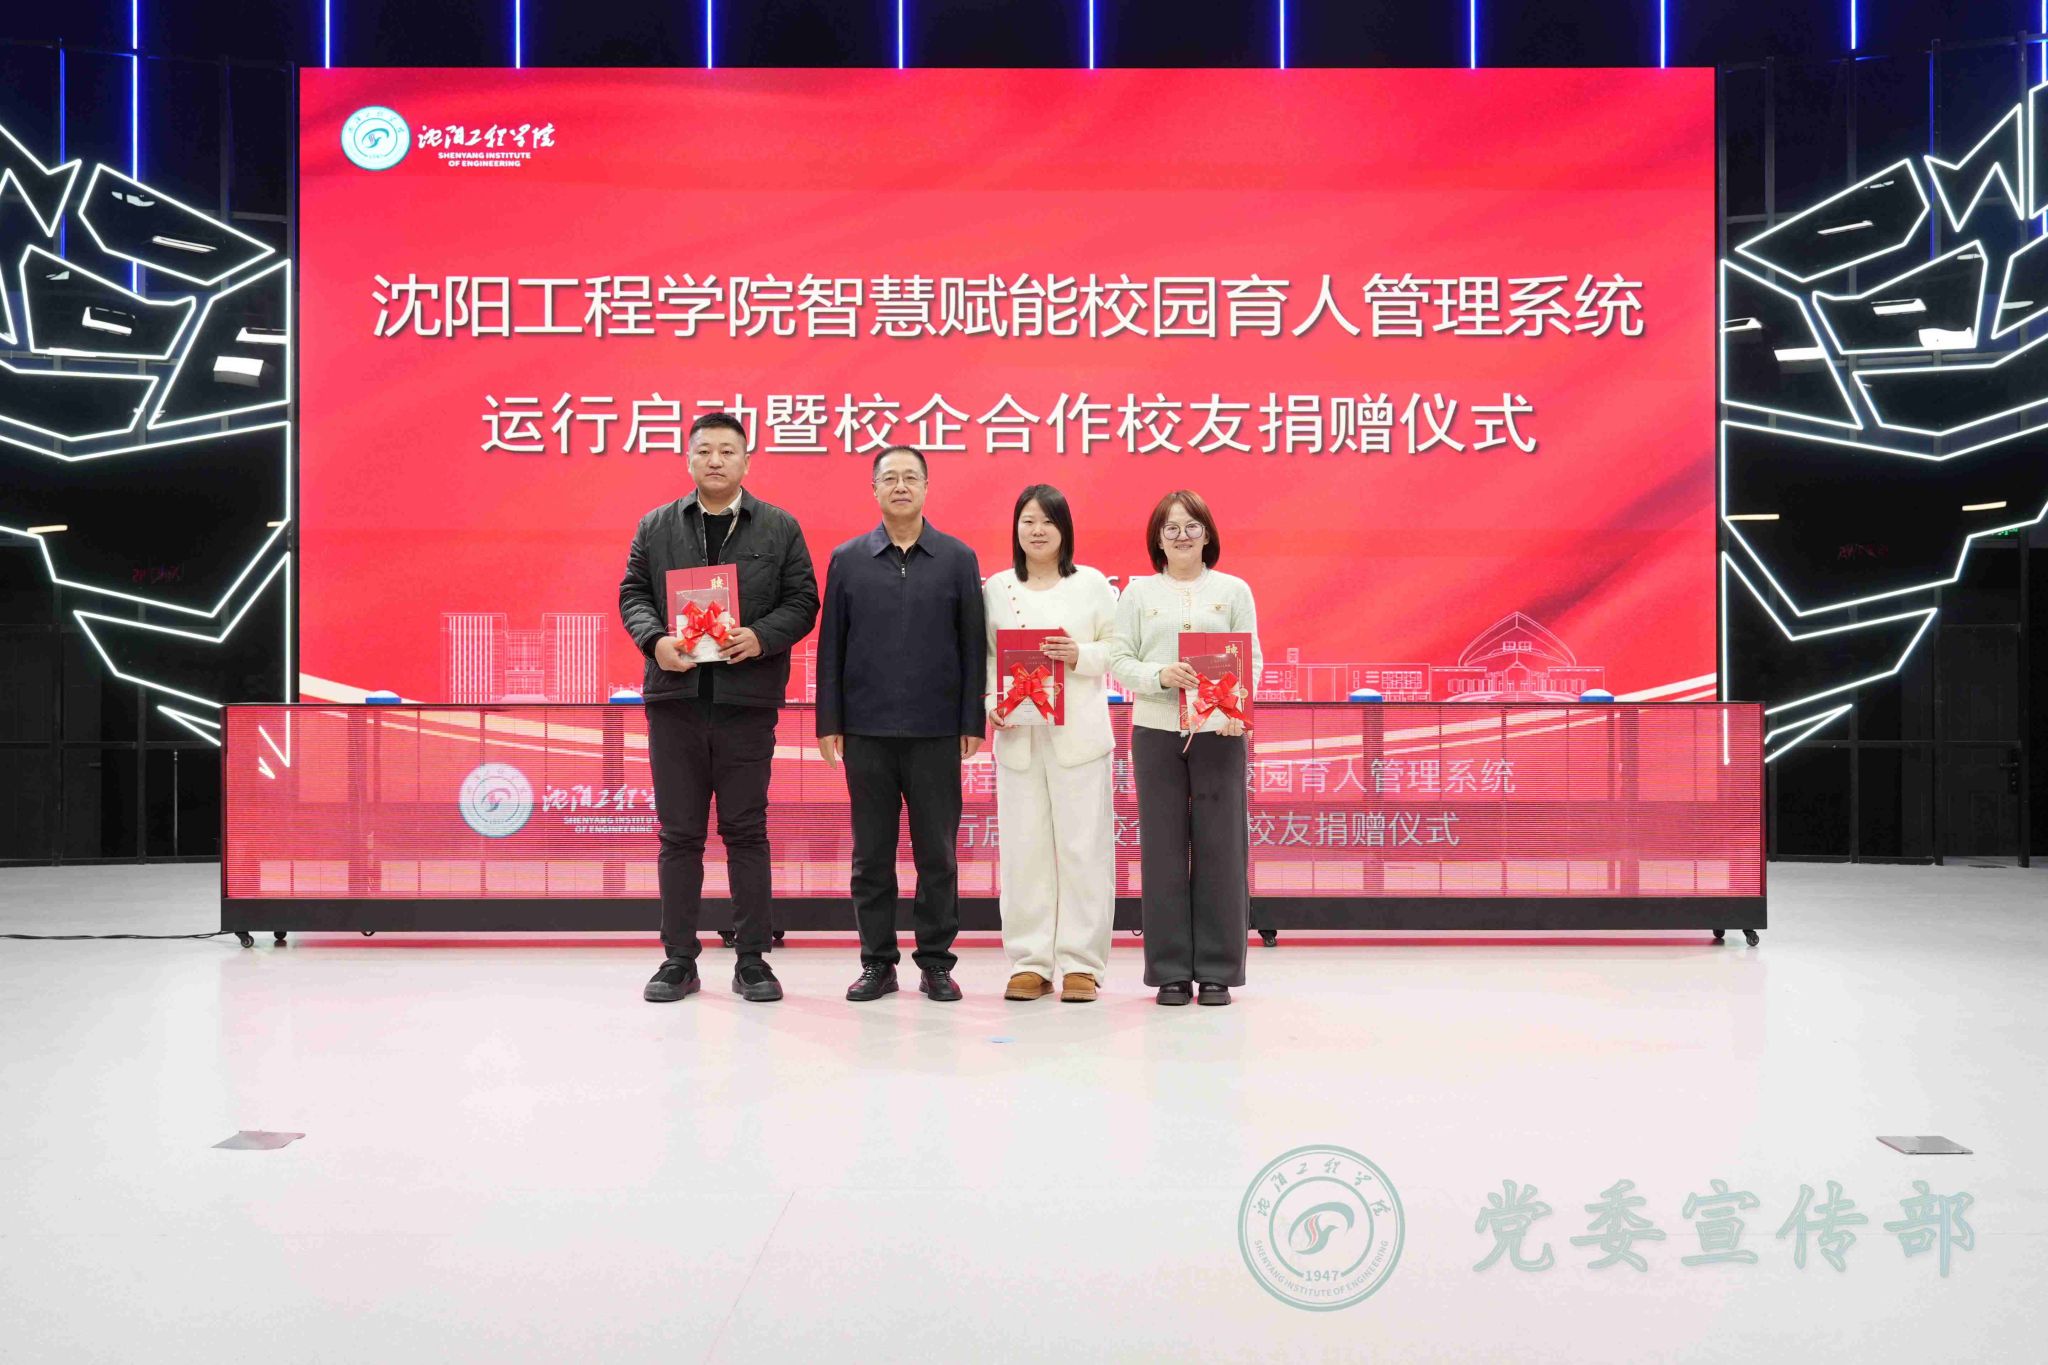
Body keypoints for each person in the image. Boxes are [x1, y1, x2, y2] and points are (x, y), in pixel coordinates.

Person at [618, 411, 819, 1005]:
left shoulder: (779, 527)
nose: (715, 460)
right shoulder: (656, 525)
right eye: (704, 450)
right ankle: (678, 959)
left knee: (746, 831)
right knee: (679, 835)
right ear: (689, 459)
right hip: (675, 701)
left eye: (727, 451)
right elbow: (632, 593)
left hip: (746, 702)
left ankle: (752, 959)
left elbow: (803, 600)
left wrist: (761, 636)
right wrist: (655, 640)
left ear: (746, 461)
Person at [816, 446, 986, 1003]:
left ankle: (936, 962)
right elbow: (831, 645)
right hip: (866, 731)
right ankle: (877, 963)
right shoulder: (848, 559)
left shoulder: (957, 558)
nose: (901, 486)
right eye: (889, 478)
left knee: (937, 854)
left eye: (911, 477)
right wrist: (830, 721)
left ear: (927, 487)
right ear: (874, 490)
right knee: (871, 855)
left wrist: (971, 719)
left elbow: (972, 645)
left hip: (937, 732)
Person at [1107, 490, 1261, 1007]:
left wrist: (1237, 709)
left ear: (1207, 534)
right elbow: (1120, 660)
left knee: (1222, 847)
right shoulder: (1137, 595)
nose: (1182, 536)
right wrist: (1159, 675)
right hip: (1155, 730)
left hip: (1220, 730)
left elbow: (1252, 659)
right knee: (1163, 850)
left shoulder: (1233, 590)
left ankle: (1217, 970)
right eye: (1170, 528)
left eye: (1192, 526)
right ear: (1157, 539)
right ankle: (1170, 971)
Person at [982, 485, 1119, 1004]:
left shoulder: (1092, 585)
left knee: (1084, 849)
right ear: (1015, 529)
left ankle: (1082, 963)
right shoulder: (997, 588)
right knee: (1023, 851)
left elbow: (1118, 649)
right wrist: (991, 703)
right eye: (1028, 521)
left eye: (1047, 521)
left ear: (1065, 529)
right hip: (1019, 736)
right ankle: (1030, 962)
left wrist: (1079, 653)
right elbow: (987, 657)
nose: (1037, 530)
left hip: (1078, 737)